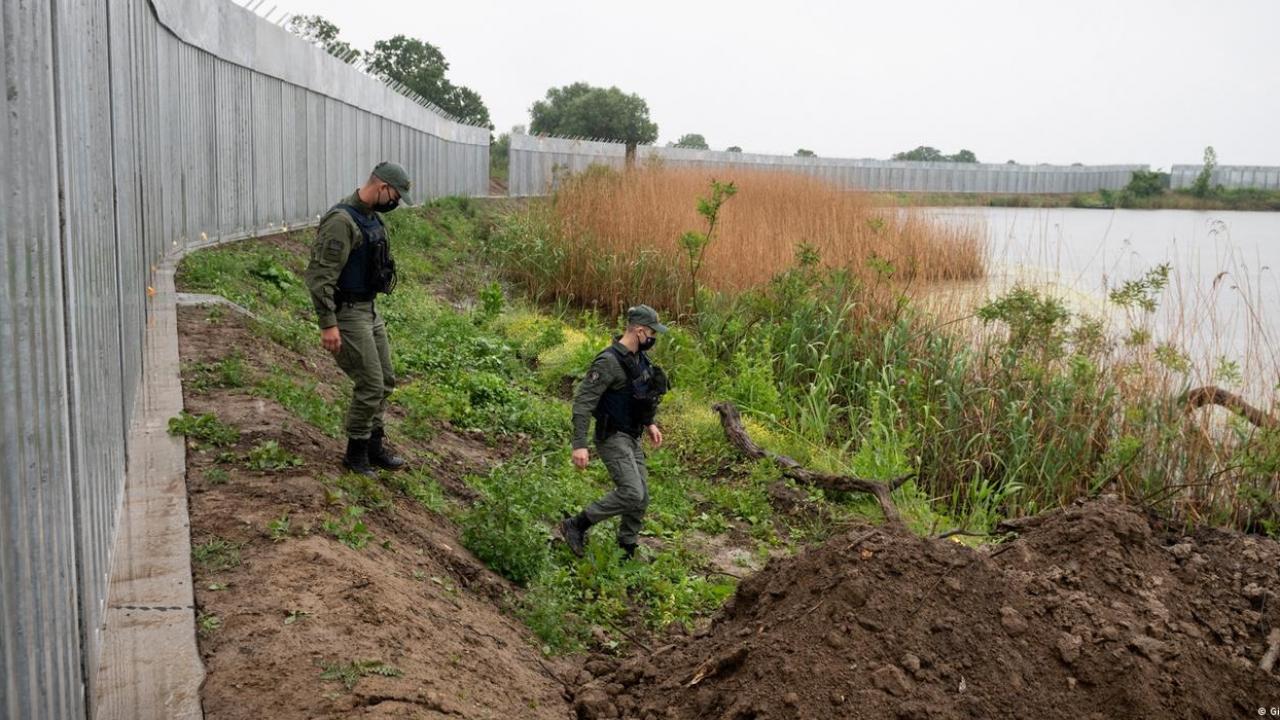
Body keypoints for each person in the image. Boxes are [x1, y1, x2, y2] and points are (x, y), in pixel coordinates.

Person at [303, 161, 412, 478]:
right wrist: (328, 323)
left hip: (369, 309)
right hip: (348, 314)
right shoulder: (341, 221)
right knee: (370, 384)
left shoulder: (370, 218)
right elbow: (319, 277)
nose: (395, 203)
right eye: (395, 196)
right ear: (382, 187)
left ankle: (375, 446)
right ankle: (356, 453)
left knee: (386, 380)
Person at [559, 305, 671, 559]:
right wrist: (579, 444)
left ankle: (626, 547)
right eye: (653, 333)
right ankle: (576, 525)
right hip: (612, 436)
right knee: (632, 492)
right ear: (640, 331)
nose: (654, 339)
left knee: (641, 498)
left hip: (632, 436)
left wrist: (650, 423)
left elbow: (640, 396)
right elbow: (583, 403)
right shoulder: (608, 362)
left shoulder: (640, 360)